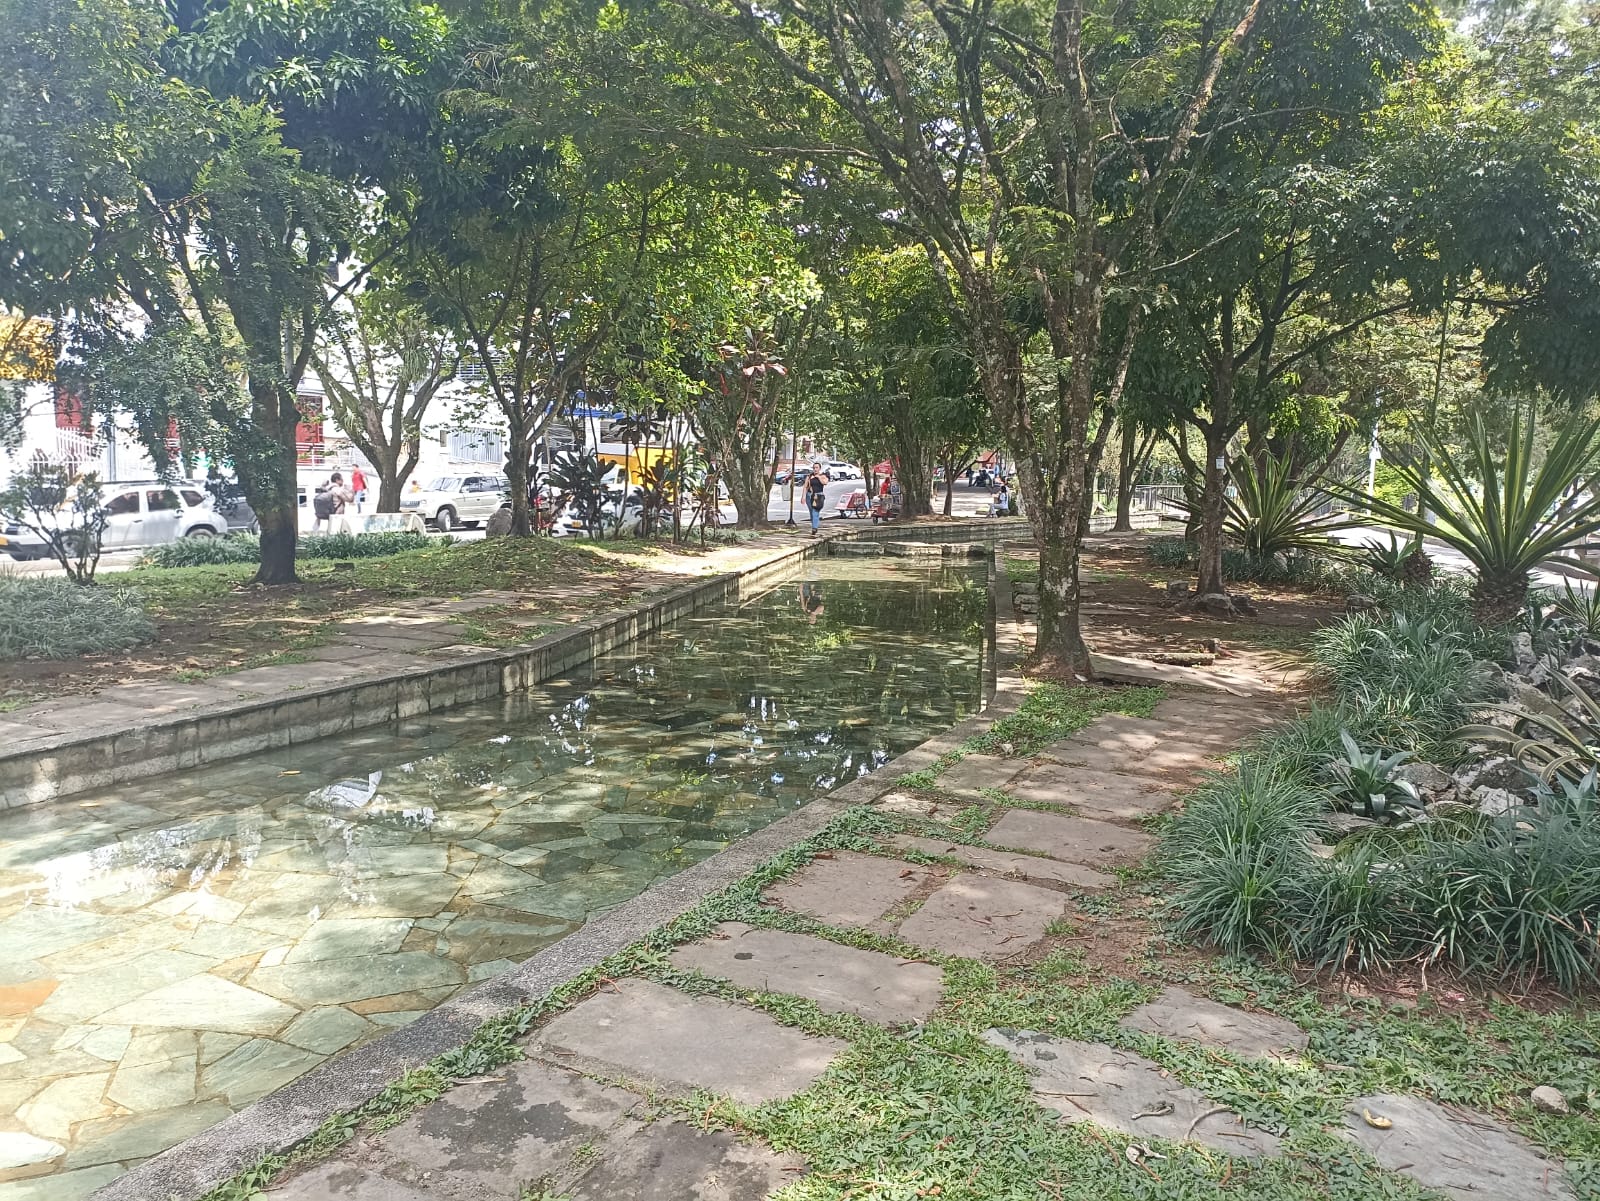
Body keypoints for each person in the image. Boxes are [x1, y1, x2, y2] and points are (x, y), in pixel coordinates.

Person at [804, 461, 828, 535]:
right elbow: (805, 486)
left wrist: (819, 477)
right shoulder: (809, 476)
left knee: (815, 511)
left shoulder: (823, 476)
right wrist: (803, 497)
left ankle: (814, 528)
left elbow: (825, 482)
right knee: (812, 512)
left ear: (819, 468)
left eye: (817, 468)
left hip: (818, 495)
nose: (815, 469)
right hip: (810, 495)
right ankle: (814, 526)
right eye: (814, 468)